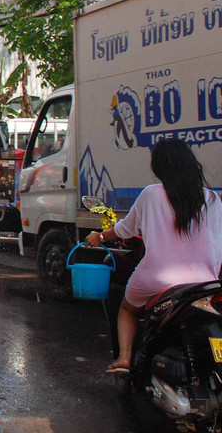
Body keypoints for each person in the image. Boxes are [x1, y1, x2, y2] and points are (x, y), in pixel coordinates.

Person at [85, 139, 222, 374]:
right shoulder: (211, 198)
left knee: (127, 308)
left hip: (158, 280)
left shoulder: (151, 194)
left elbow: (125, 229)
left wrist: (99, 237)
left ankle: (125, 358)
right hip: (205, 283)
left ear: (159, 167)